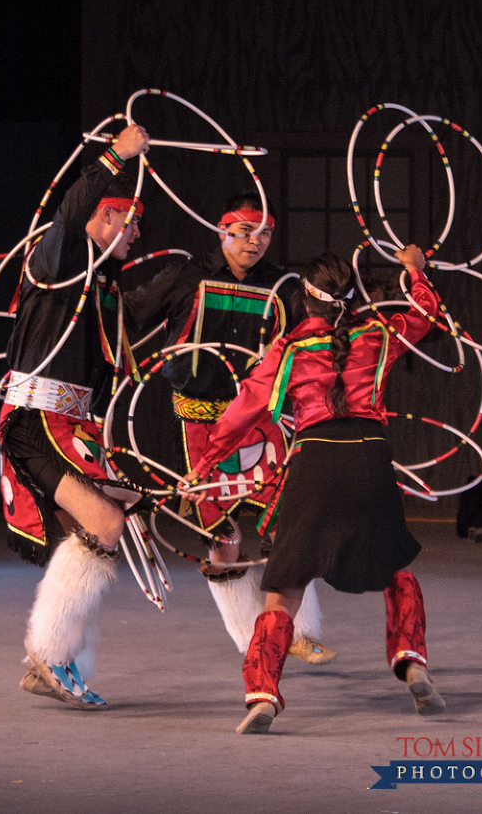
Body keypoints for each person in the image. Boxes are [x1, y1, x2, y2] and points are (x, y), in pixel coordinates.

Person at [181, 246, 447, 733]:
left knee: (285, 591)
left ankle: (262, 693)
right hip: (371, 461)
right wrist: (415, 270)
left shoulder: (289, 348)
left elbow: (246, 408)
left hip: (316, 462)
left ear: (306, 300)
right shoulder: (380, 334)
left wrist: (205, 463)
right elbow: (427, 314)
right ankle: (414, 666)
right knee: (395, 570)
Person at [123, 195, 336, 665]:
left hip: (264, 420)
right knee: (222, 533)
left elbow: (314, 343)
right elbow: (126, 312)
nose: (254, 242)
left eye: (264, 234)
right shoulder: (187, 276)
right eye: (243, 232)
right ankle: (251, 639)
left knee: (287, 521)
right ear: (221, 231)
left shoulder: (283, 287)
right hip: (202, 418)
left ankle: (294, 631)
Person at [0, 123, 149, 709]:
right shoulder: (60, 260)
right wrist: (116, 154)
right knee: (106, 524)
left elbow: (153, 315)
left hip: (70, 427)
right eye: (128, 221)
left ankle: (55, 656)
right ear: (105, 218)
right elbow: (71, 208)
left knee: (93, 532)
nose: (136, 233)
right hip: (37, 421)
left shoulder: (103, 286)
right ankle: (49, 655)